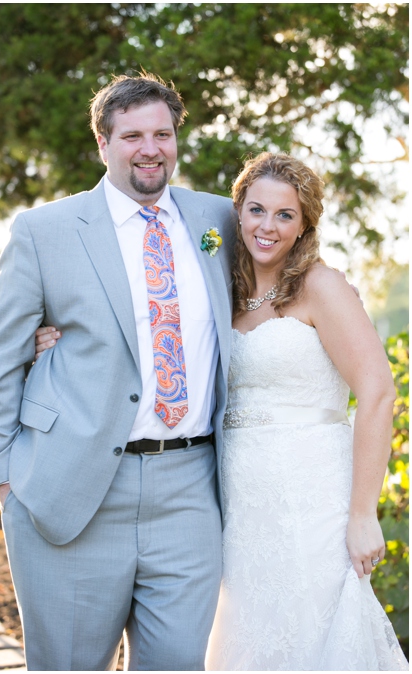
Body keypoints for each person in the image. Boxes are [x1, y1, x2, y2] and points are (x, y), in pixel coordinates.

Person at [35, 154, 408, 670]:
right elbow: (141, 312)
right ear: (237, 212)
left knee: (314, 630)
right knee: (248, 634)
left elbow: (378, 391)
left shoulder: (320, 286)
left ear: (305, 226)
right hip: (236, 502)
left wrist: (364, 514)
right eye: (256, 210)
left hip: (312, 496)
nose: (267, 227)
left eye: (286, 215)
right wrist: (56, 331)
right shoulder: (216, 277)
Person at [0, 73, 237, 670]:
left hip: (191, 490)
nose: (150, 148)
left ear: (176, 138)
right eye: (133, 135)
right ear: (103, 142)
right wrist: (5, 471)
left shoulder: (218, 220)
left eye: (163, 133)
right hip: (71, 489)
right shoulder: (45, 231)